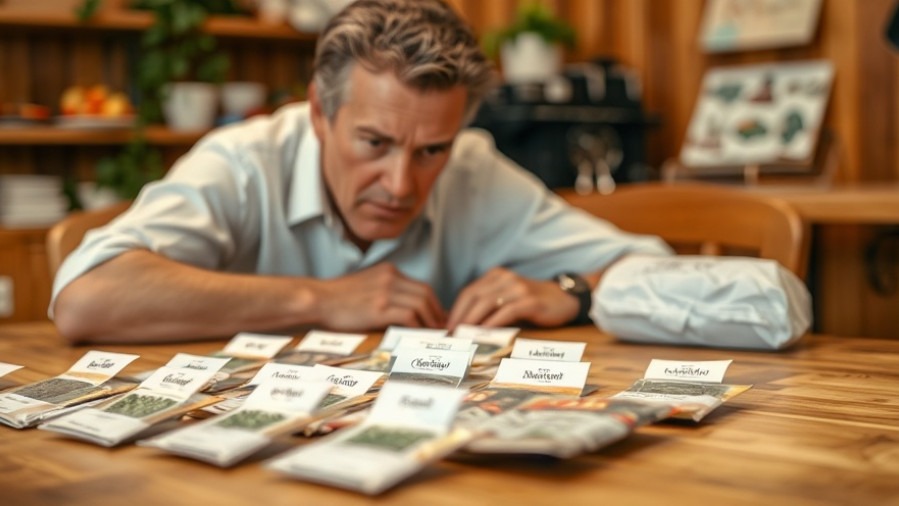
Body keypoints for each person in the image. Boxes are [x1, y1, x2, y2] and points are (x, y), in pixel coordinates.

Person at [50, 0, 670, 344]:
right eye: (374, 141)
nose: (401, 185)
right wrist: (319, 299)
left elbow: (656, 265)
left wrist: (568, 290)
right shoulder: (243, 160)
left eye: (431, 150)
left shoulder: (475, 173)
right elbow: (86, 299)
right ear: (319, 113)